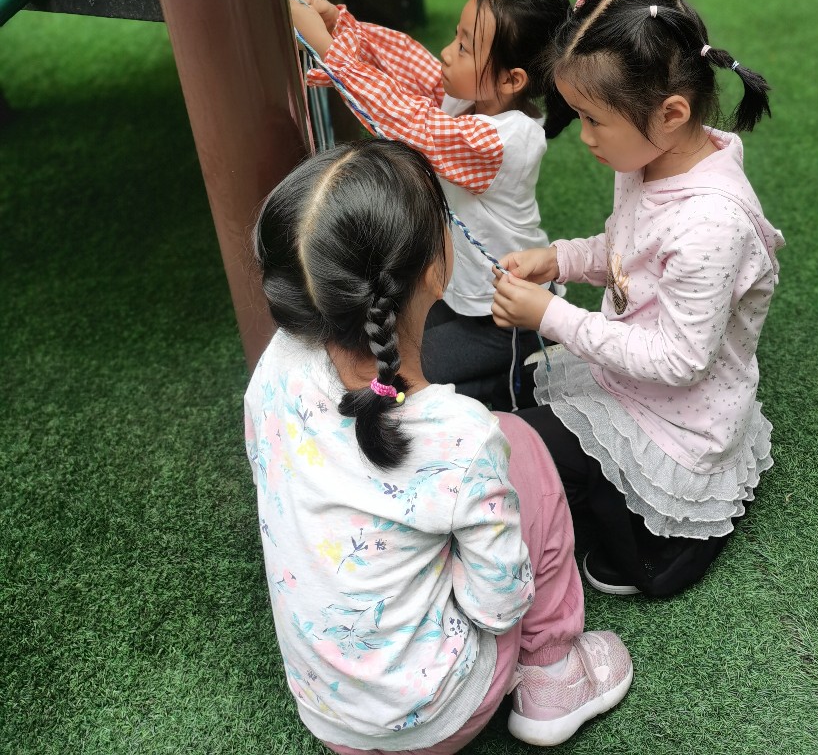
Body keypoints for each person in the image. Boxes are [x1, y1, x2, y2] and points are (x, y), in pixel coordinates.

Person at [244, 139, 633, 753]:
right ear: (436, 269)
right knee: (524, 444)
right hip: (439, 715)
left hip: (330, 717)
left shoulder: (273, 369)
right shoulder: (461, 434)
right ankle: (554, 674)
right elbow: (497, 606)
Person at [491, 0, 784, 599]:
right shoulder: (648, 157)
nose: (585, 137)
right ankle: (620, 503)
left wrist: (552, 317)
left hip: (675, 422)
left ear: (671, 113)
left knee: (526, 470)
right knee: (517, 451)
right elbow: (628, 250)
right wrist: (559, 261)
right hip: (628, 378)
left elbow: (680, 361)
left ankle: (674, 537)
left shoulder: (712, 224)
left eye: (594, 120)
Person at [288, 0, 571, 409]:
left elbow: (412, 124)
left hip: (505, 315)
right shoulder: (468, 98)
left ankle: (513, 379)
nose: (447, 52)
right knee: (396, 353)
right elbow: (408, 65)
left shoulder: (506, 140)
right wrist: (343, 27)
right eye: (457, 37)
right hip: (464, 295)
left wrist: (330, 52)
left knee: (409, 379)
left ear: (511, 79)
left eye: (464, 47)